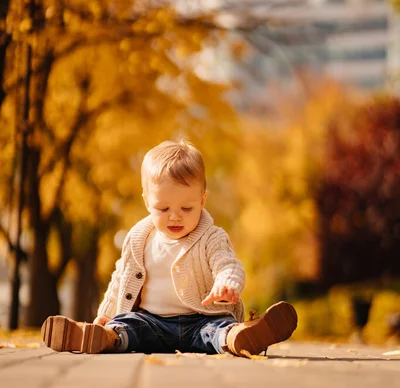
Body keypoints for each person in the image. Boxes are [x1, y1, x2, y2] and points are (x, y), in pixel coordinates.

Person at [41, 140, 297, 356]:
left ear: (203, 200)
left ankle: (240, 337)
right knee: (129, 326)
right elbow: (121, 278)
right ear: (146, 201)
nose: (175, 217)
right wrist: (105, 315)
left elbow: (228, 263)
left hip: (202, 319)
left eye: (187, 208)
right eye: (163, 209)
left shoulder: (211, 237)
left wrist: (227, 283)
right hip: (152, 321)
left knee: (218, 329)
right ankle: (103, 337)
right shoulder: (139, 239)